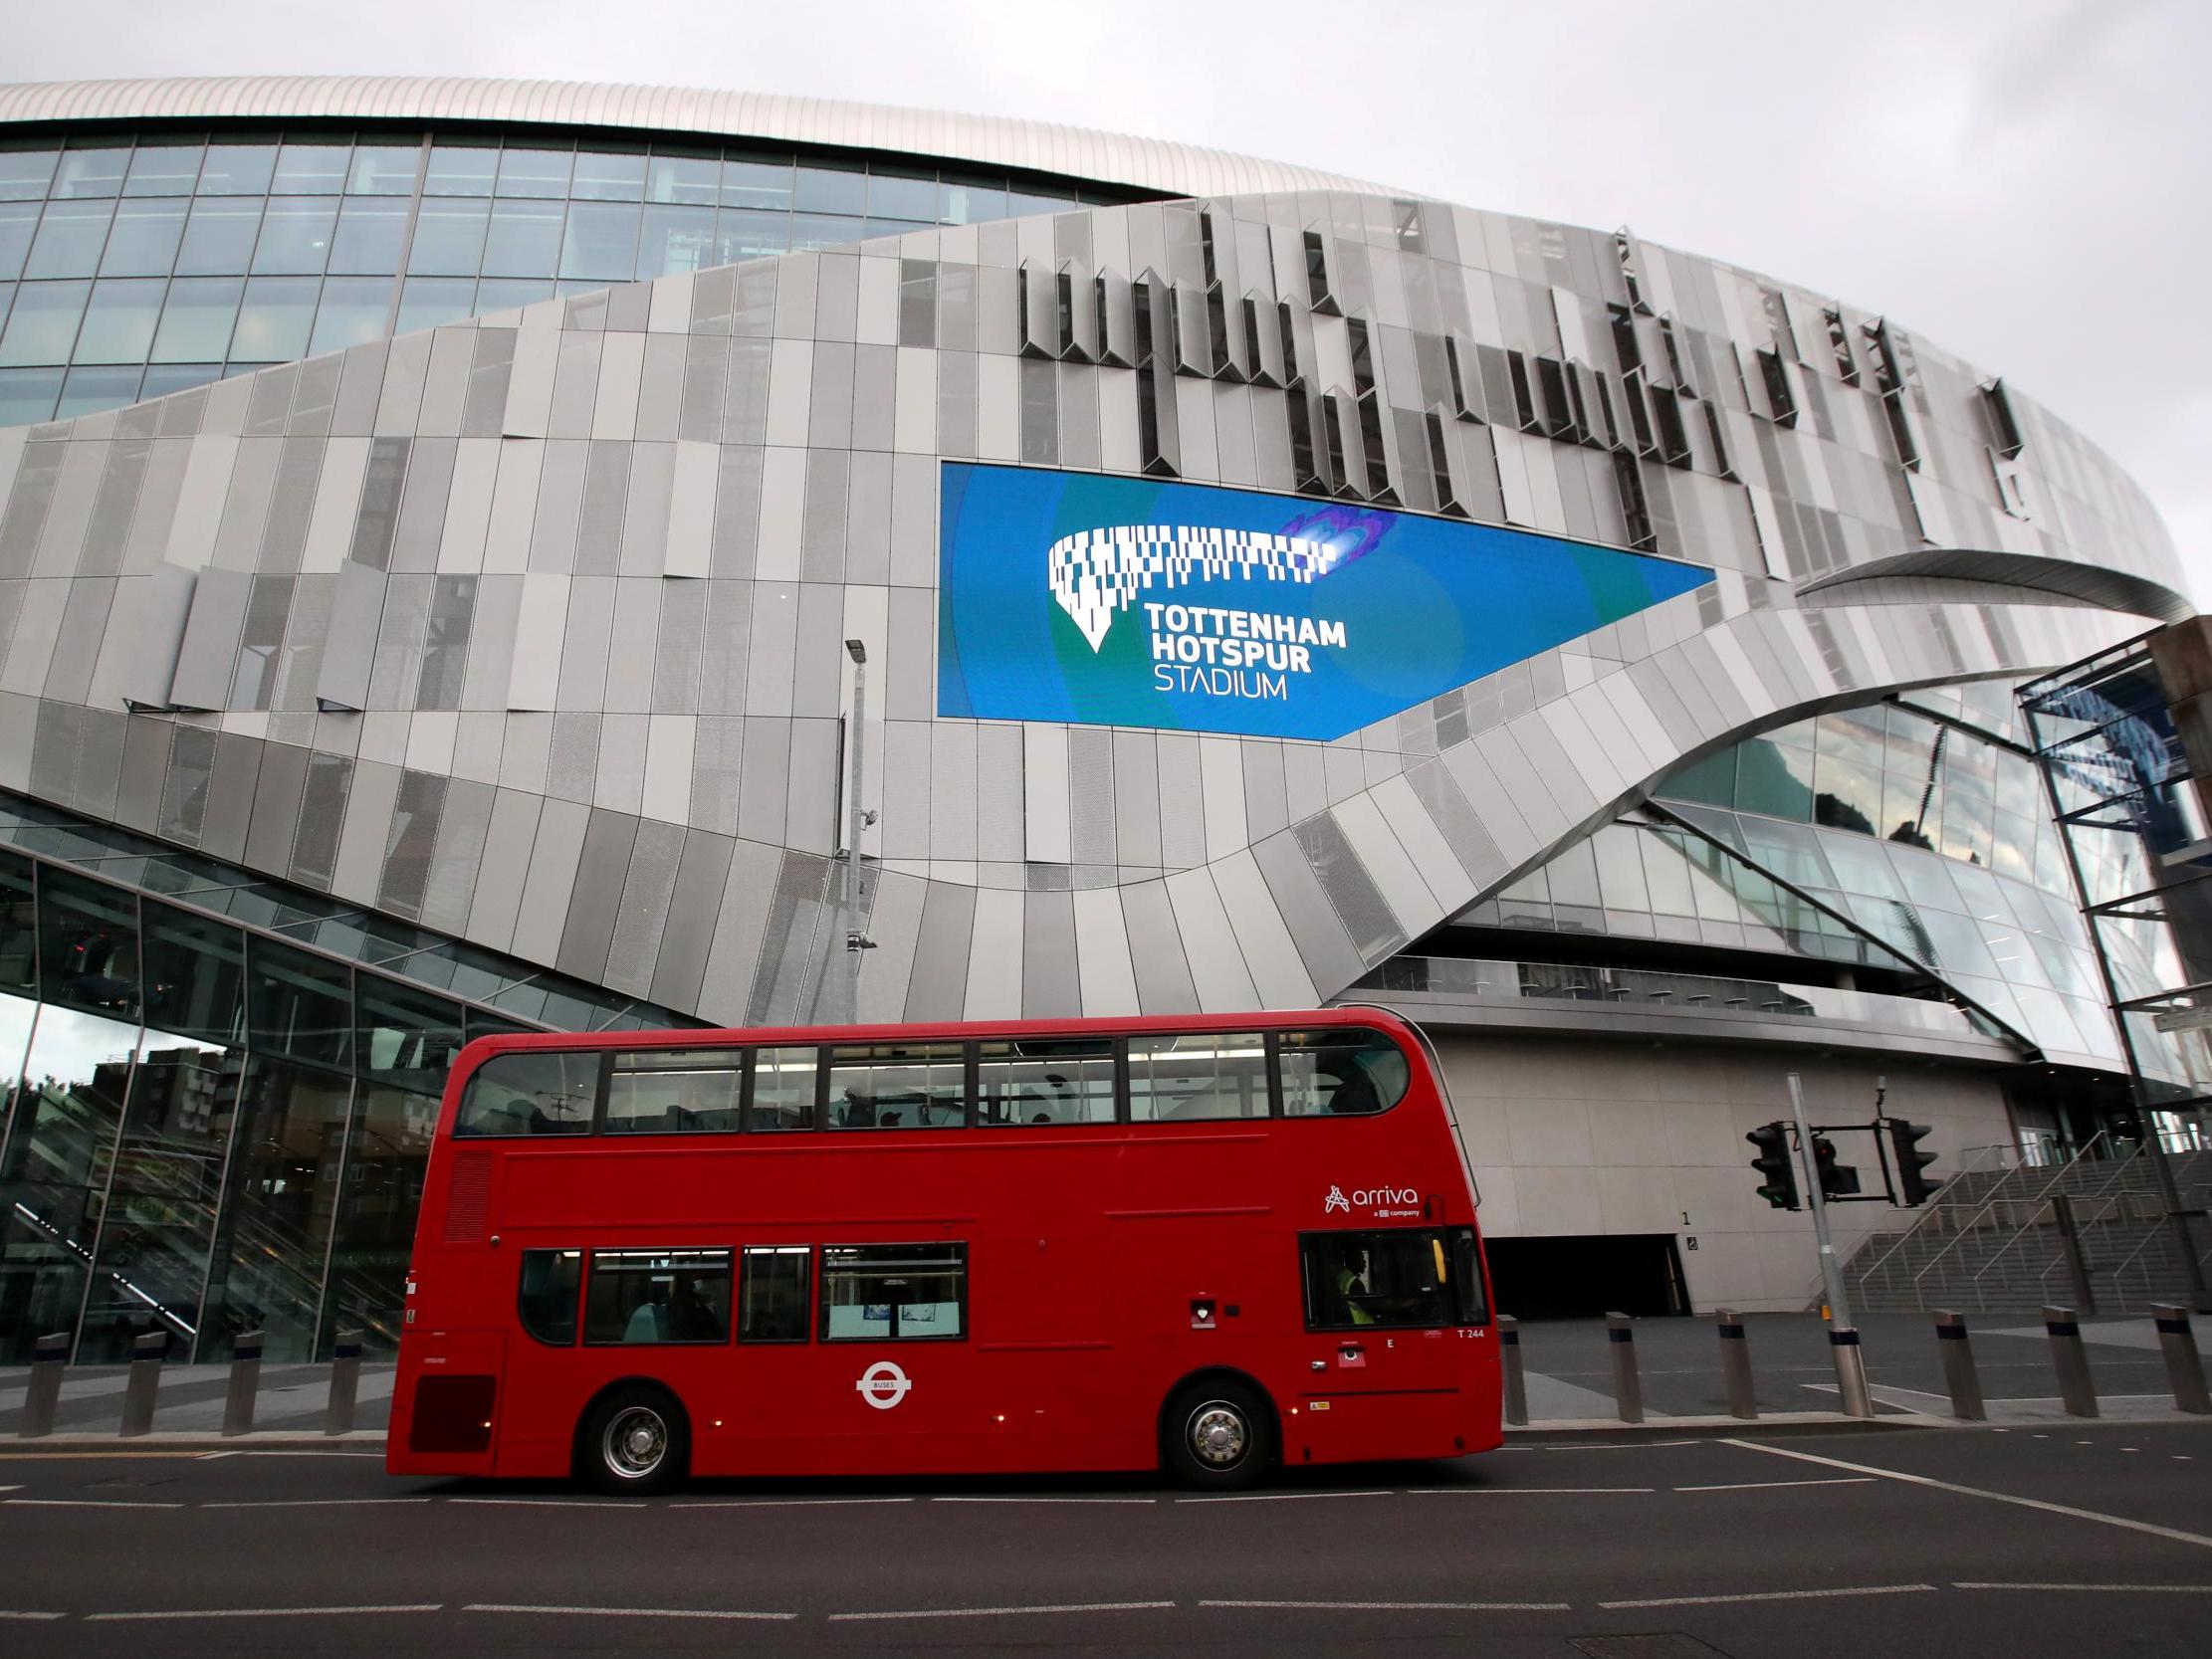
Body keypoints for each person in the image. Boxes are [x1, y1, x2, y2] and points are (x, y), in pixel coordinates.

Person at [1336, 1248, 1376, 1326]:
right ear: (1353, 1260)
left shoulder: (1341, 1276)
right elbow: (1371, 1307)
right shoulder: (1354, 1282)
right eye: (1361, 1258)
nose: (1365, 1261)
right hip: (1363, 1327)